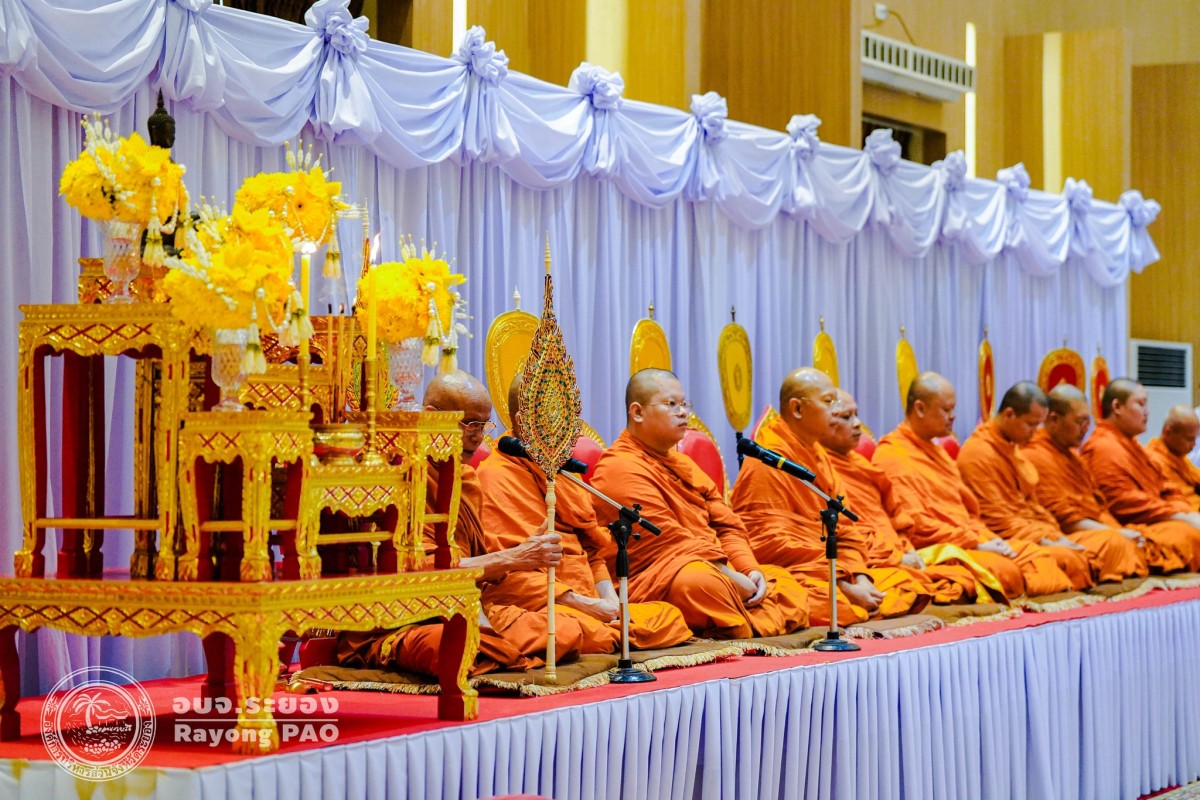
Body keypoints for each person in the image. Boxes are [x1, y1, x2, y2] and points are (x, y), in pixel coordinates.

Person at [339, 371, 583, 676]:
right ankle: (497, 653)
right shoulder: (397, 476)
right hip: (402, 618)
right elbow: (422, 573)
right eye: (469, 424)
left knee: (565, 629)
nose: (477, 437)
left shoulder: (464, 477)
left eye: (483, 425)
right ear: (432, 417)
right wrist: (513, 557)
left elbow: (473, 555)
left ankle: (499, 654)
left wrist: (519, 554)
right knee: (456, 646)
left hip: (462, 606)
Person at [476, 375, 692, 652]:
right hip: (539, 604)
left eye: (570, 418)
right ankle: (610, 635)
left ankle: (612, 633)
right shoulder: (496, 476)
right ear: (522, 421)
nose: (568, 429)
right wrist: (586, 606)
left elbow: (592, 551)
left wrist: (610, 603)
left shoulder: (564, 472)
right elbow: (509, 576)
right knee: (564, 631)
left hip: (588, 600)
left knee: (669, 616)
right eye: (556, 417)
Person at [589, 369, 810, 639]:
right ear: (637, 412)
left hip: (714, 567)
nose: (684, 413)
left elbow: (727, 526)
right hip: (659, 578)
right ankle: (744, 614)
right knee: (699, 584)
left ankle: (736, 616)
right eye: (672, 404)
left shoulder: (685, 465)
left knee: (785, 581)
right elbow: (669, 542)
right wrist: (732, 578)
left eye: (684, 404)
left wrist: (748, 568)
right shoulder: (619, 467)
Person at [730, 368, 934, 625]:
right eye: (829, 402)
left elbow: (846, 528)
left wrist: (860, 577)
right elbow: (770, 545)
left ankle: (855, 599)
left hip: (837, 570)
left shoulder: (819, 456)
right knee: (806, 601)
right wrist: (844, 587)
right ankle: (850, 602)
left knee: (907, 584)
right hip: (802, 574)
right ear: (797, 409)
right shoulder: (768, 461)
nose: (836, 412)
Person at [872, 372, 1074, 599]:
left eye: (954, 409)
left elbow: (968, 513)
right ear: (919, 409)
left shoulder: (939, 454)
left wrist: (987, 538)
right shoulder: (892, 456)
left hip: (969, 539)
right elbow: (916, 524)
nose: (953, 416)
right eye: (946, 409)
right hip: (941, 548)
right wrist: (976, 543)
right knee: (1008, 570)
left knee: (1038, 557)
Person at [822, 389, 1004, 604]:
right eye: (846, 417)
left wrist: (906, 549)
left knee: (979, 574)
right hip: (869, 560)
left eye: (856, 414)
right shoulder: (822, 469)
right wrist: (896, 557)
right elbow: (846, 532)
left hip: (902, 550)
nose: (857, 424)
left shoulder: (861, 464)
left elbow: (896, 518)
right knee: (911, 590)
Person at [958, 382, 1139, 587]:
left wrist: (1052, 534)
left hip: (1035, 534)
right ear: (1009, 414)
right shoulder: (978, 453)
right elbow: (997, 518)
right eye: (1031, 424)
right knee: (1073, 555)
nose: (1034, 432)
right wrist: (1046, 539)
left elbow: (1034, 507)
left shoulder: (1013, 450)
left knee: (1108, 544)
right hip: (1009, 540)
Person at [1023, 384, 1194, 574]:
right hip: (1071, 534)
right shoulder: (1036, 455)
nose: (1085, 429)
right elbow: (1067, 518)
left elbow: (1099, 506)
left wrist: (1118, 529)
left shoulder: (1074, 457)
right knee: (1116, 544)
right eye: (1080, 421)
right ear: (1054, 419)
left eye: (1087, 422)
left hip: (1104, 529)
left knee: (1181, 533)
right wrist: (1116, 532)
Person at [1079, 378, 1200, 569]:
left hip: (1158, 518)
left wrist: (1184, 511)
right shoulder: (1103, 447)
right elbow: (1122, 502)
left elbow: (1167, 488)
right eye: (1140, 404)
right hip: (1129, 525)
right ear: (1117, 407)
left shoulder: (1134, 446)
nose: (1147, 412)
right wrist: (1179, 516)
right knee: (1188, 535)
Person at [1146, 405, 1200, 512]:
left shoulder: (1180, 457)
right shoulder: (1154, 461)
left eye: (1195, 438)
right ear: (1168, 432)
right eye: (1189, 439)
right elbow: (1179, 501)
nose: (1194, 444)